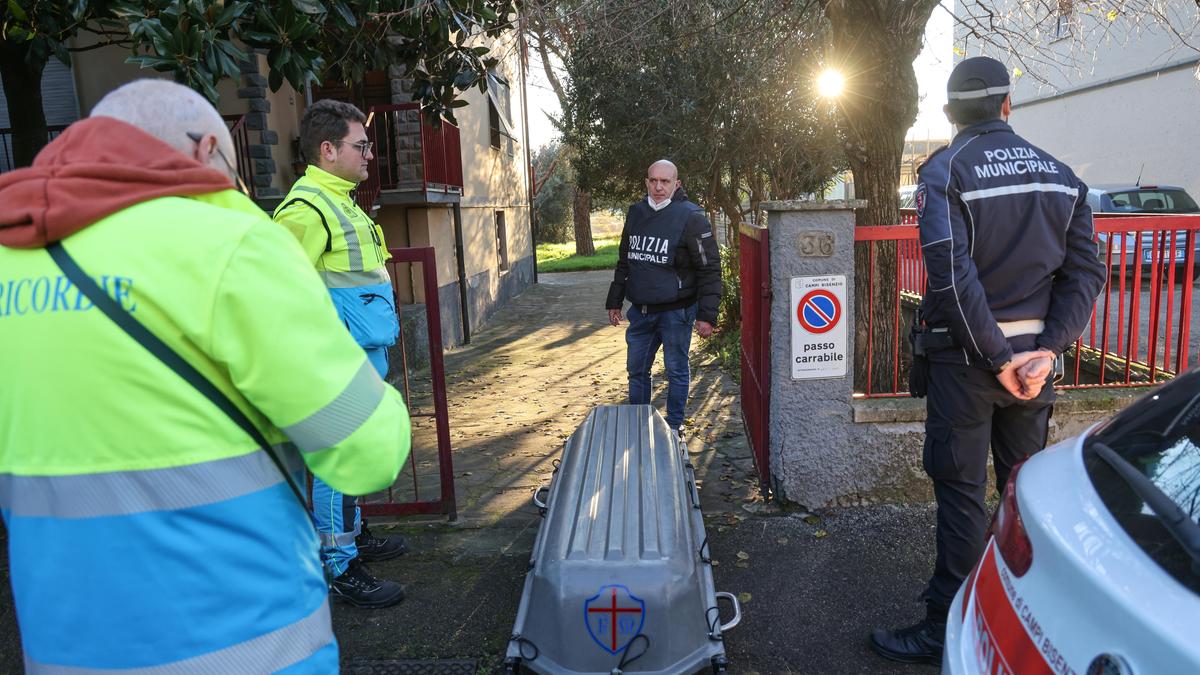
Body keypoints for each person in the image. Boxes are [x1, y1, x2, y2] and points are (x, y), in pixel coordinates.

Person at [0, 80, 411, 672]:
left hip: (66, 652)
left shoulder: (12, 257)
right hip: (248, 643)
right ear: (205, 149)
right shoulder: (232, 243)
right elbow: (370, 452)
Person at [870, 56, 1107, 665]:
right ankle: (1024, 616)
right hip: (1033, 370)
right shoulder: (1060, 176)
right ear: (1007, 105)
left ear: (951, 114)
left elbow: (950, 276)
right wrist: (1047, 350)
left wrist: (997, 357)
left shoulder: (945, 171)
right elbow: (1086, 272)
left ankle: (946, 625)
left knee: (960, 492)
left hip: (968, 365)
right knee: (1022, 495)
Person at [273, 99, 409, 608]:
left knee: (356, 453)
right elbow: (276, 293)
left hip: (362, 357)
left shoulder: (342, 202)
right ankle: (339, 566)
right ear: (328, 150)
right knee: (337, 460)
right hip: (335, 365)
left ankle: (354, 535)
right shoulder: (306, 210)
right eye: (362, 145)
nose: (370, 154)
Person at [605, 159, 722, 436]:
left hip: (676, 313)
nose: (658, 187)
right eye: (654, 180)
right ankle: (638, 426)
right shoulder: (636, 213)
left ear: (676, 184)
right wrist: (614, 300)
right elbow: (625, 261)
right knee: (637, 371)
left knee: (676, 371)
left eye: (665, 181)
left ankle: (674, 428)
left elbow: (709, 268)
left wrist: (707, 315)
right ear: (647, 182)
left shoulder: (691, 217)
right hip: (641, 312)